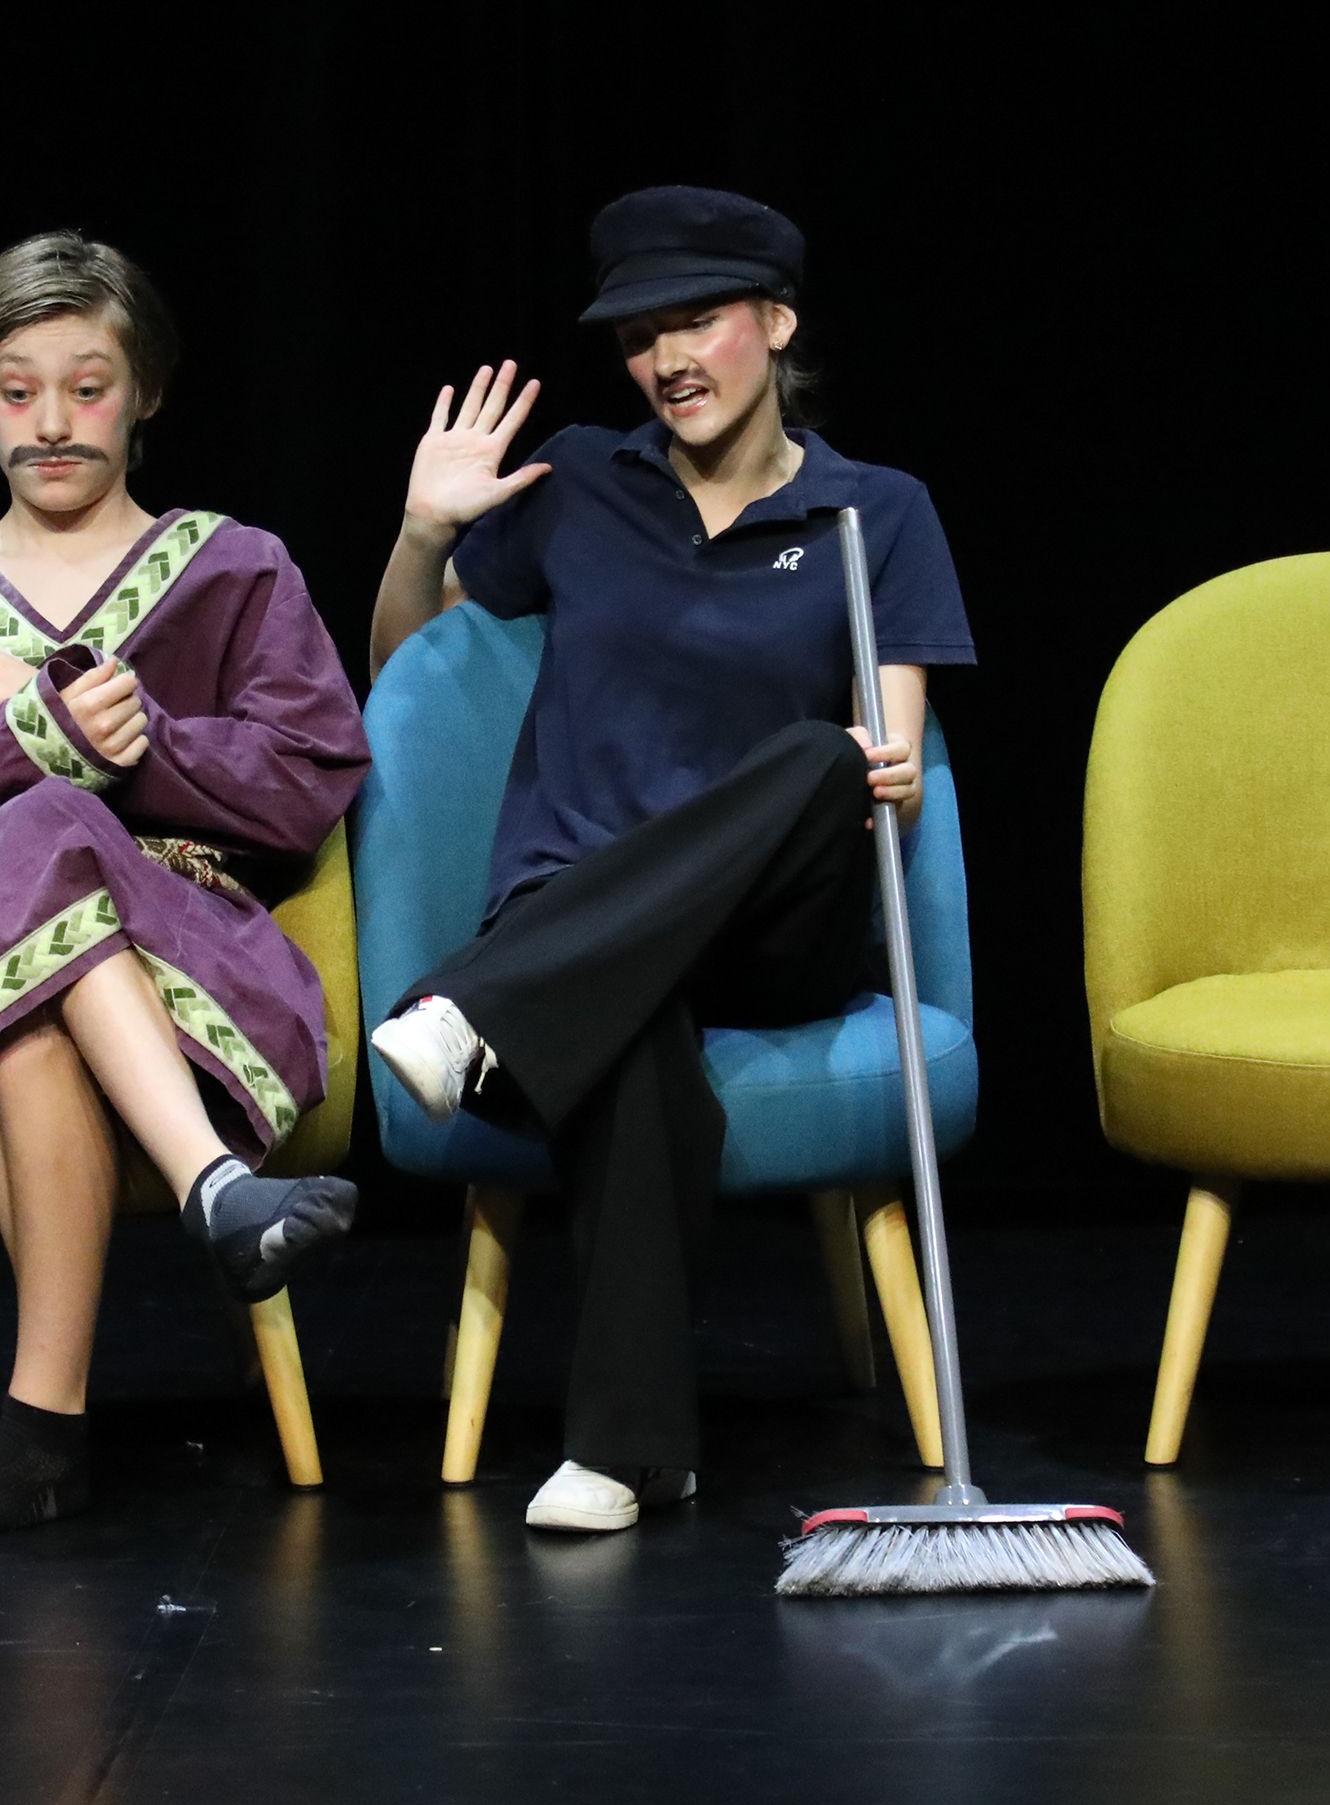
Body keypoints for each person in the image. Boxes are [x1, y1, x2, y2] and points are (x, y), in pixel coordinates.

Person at [367, 186, 974, 1533]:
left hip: (773, 929)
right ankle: (632, 1454)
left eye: (698, 321)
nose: (667, 359)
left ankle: (480, 1006)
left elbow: (887, 765)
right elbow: (405, 680)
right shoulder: (582, 479)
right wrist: (424, 533)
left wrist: (876, 773)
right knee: (631, 1026)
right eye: (642, 336)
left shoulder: (876, 512)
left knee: (824, 759)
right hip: (581, 907)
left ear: (778, 322)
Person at [0, 232, 369, 1539]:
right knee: (40, 841)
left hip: (191, 956)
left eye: (88, 386)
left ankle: (43, 1438)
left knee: (42, 972)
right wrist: (34, 744)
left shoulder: (238, 567)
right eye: (18, 390)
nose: (52, 423)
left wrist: (138, 739)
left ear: (146, 392)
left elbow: (309, 782)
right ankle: (216, 1193)